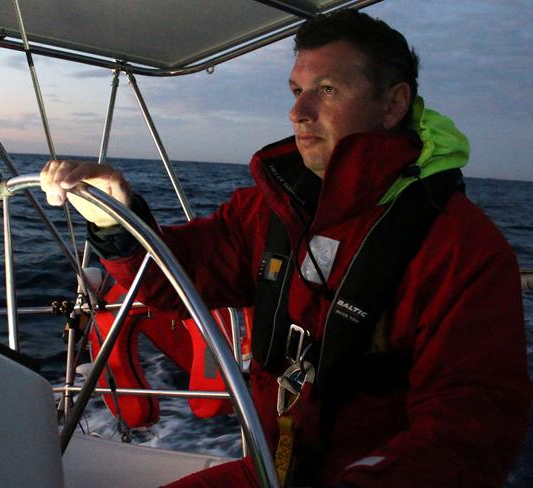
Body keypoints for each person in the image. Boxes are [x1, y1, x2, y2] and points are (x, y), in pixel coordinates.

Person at [40, 10, 531, 488]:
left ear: (393, 104)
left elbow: (468, 431)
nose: (298, 111)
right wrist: (114, 220)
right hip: (269, 471)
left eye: (327, 90)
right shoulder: (268, 210)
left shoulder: (461, 247)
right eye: (297, 91)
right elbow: (173, 280)